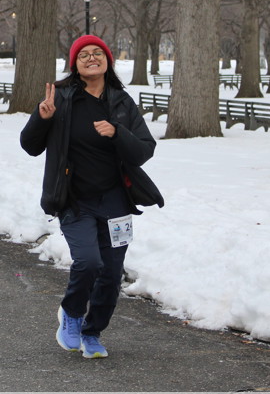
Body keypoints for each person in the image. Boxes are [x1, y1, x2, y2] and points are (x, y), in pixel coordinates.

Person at [20, 34, 163, 358]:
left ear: (108, 61)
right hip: (73, 199)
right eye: (83, 54)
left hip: (115, 202)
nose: (91, 58)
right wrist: (42, 118)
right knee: (88, 262)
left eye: (98, 53)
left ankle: (92, 331)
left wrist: (117, 132)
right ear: (75, 64)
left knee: (111, 275)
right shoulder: (61, 98)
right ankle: (72, 313)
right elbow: (30, 146)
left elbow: (144, 150)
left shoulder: (121, 102)